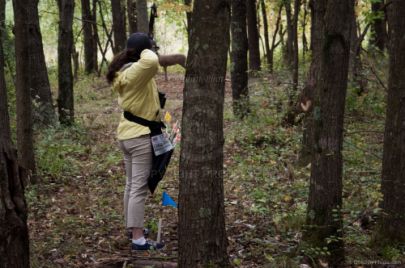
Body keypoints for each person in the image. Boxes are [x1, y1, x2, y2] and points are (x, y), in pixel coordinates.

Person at [106, 32, 164, 250]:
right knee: (138, 188)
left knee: (131, 185)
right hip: (139, 137)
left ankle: (132, 228)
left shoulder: (125, 71)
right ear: (142, 52)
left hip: (128, 134)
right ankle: (138, 238)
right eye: (149, 48)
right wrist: (148, 48)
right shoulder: (138, 70)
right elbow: (152, 60)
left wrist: (145, 46)